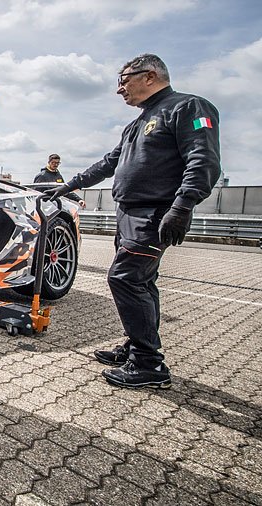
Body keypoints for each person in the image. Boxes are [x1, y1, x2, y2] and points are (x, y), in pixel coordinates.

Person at [46, 54, 220, 389]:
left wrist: (182, 207)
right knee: (142, 282)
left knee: (125, 279)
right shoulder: (139, 121)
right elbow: (111, 161)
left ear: (150, 75)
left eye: (123, 79)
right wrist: (71, 184)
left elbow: (204, 160)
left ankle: (149, 364)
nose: (119, 89)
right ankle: (135, 346)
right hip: (129, 213)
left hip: (154, 213)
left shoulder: (188, 108)